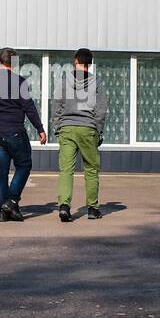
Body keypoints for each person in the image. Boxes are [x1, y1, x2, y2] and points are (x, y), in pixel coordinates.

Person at [0, 47, 45, 222]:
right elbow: (28, 107)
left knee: (0, 172)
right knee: (24, 165)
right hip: (14, 130)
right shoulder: (19, 82)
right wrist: (40, 129)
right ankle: (12, 200)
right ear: (14, 63)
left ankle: (2, 211)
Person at [51, 47, 108, 221]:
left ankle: (64, 206)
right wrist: (98, 130)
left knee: (66, 170)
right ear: (90, 64)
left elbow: (57, 103)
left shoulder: (65, 80)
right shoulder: (96, 82)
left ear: (75, 61)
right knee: (91, 169)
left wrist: (57, 126)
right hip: (88, 128)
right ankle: (92, 208)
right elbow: (101, 109)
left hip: (67, 128)